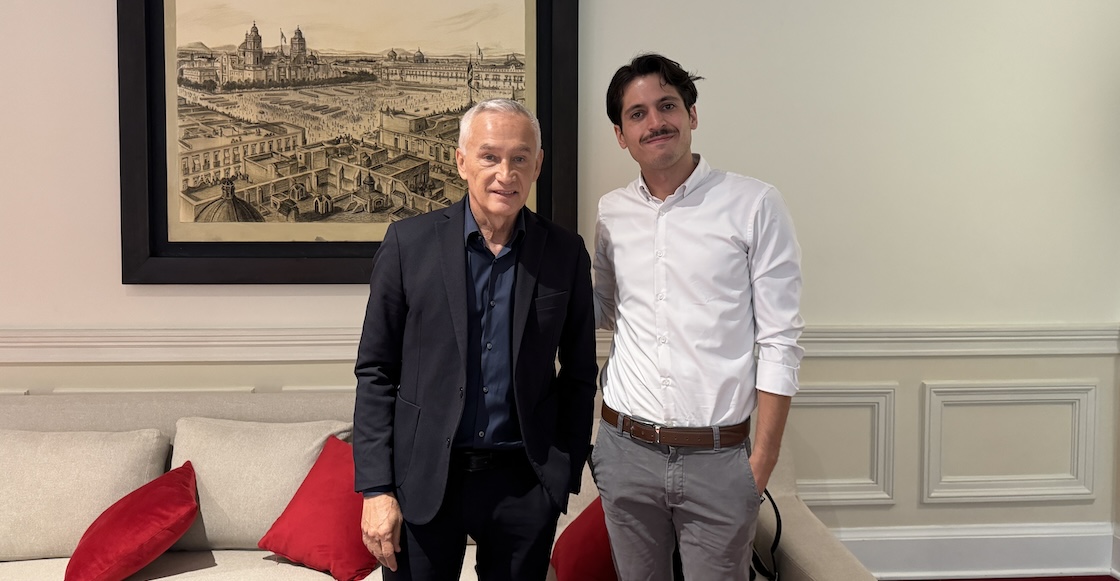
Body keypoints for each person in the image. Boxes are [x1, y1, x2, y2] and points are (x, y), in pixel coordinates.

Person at [353, 98, 598, 581]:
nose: (506, 173)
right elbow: (376, 371)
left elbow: (579, 372)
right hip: (424, 477)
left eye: (520, 158)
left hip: (524, 483)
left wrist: (561, 476)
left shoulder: (565, 252)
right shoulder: (408, 244)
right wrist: (376, 489)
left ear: (537, 165)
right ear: (461, 161)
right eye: (489, 156)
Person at [592, 53, 805, 580]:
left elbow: (780, 341)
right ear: (621, 135)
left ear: (691, 114)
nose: (655, 122)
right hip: (625, 450)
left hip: (719, 459)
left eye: (667, 106)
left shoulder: (754, 204)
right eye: (637, 113)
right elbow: (606, 310)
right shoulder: (610, 212)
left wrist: (759, 466)